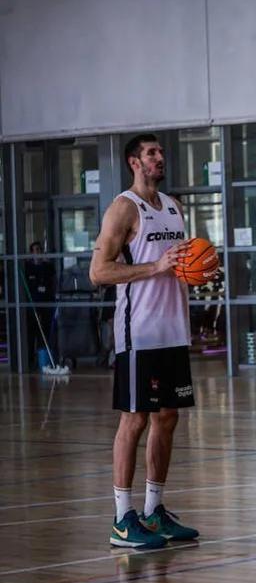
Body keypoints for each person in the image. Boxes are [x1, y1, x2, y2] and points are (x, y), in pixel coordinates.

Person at [90, 134, 199, 549]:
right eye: (151, 153)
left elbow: (180, 263)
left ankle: (154, 512)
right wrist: (155, 266)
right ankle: (122, 518)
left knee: (167, 417)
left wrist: (198, 266)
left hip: (174, 330)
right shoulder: (124, 208)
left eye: (161, 152)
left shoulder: (173, 206)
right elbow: (99, 273)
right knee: (134, 420)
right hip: (139, 333)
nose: (159, 158)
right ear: (134, 162)